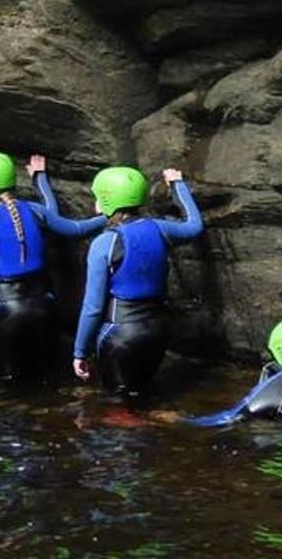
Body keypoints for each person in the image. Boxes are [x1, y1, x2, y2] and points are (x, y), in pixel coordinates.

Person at [0, 151, 106, 381]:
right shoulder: (36, 211)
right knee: (46, 378)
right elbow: (77, 229)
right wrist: (110, 215)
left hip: (5, 311)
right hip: (45, 306)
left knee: (8, 387)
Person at [72, 166, 204, 395]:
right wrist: (177, 184)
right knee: (142, 396)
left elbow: (92, 308)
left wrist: (79, 352)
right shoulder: (160, 228)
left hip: (121, 334)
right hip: (158, 330)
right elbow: (194, 226)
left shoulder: (104, 243)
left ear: (107, 199)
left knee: (116, 408)